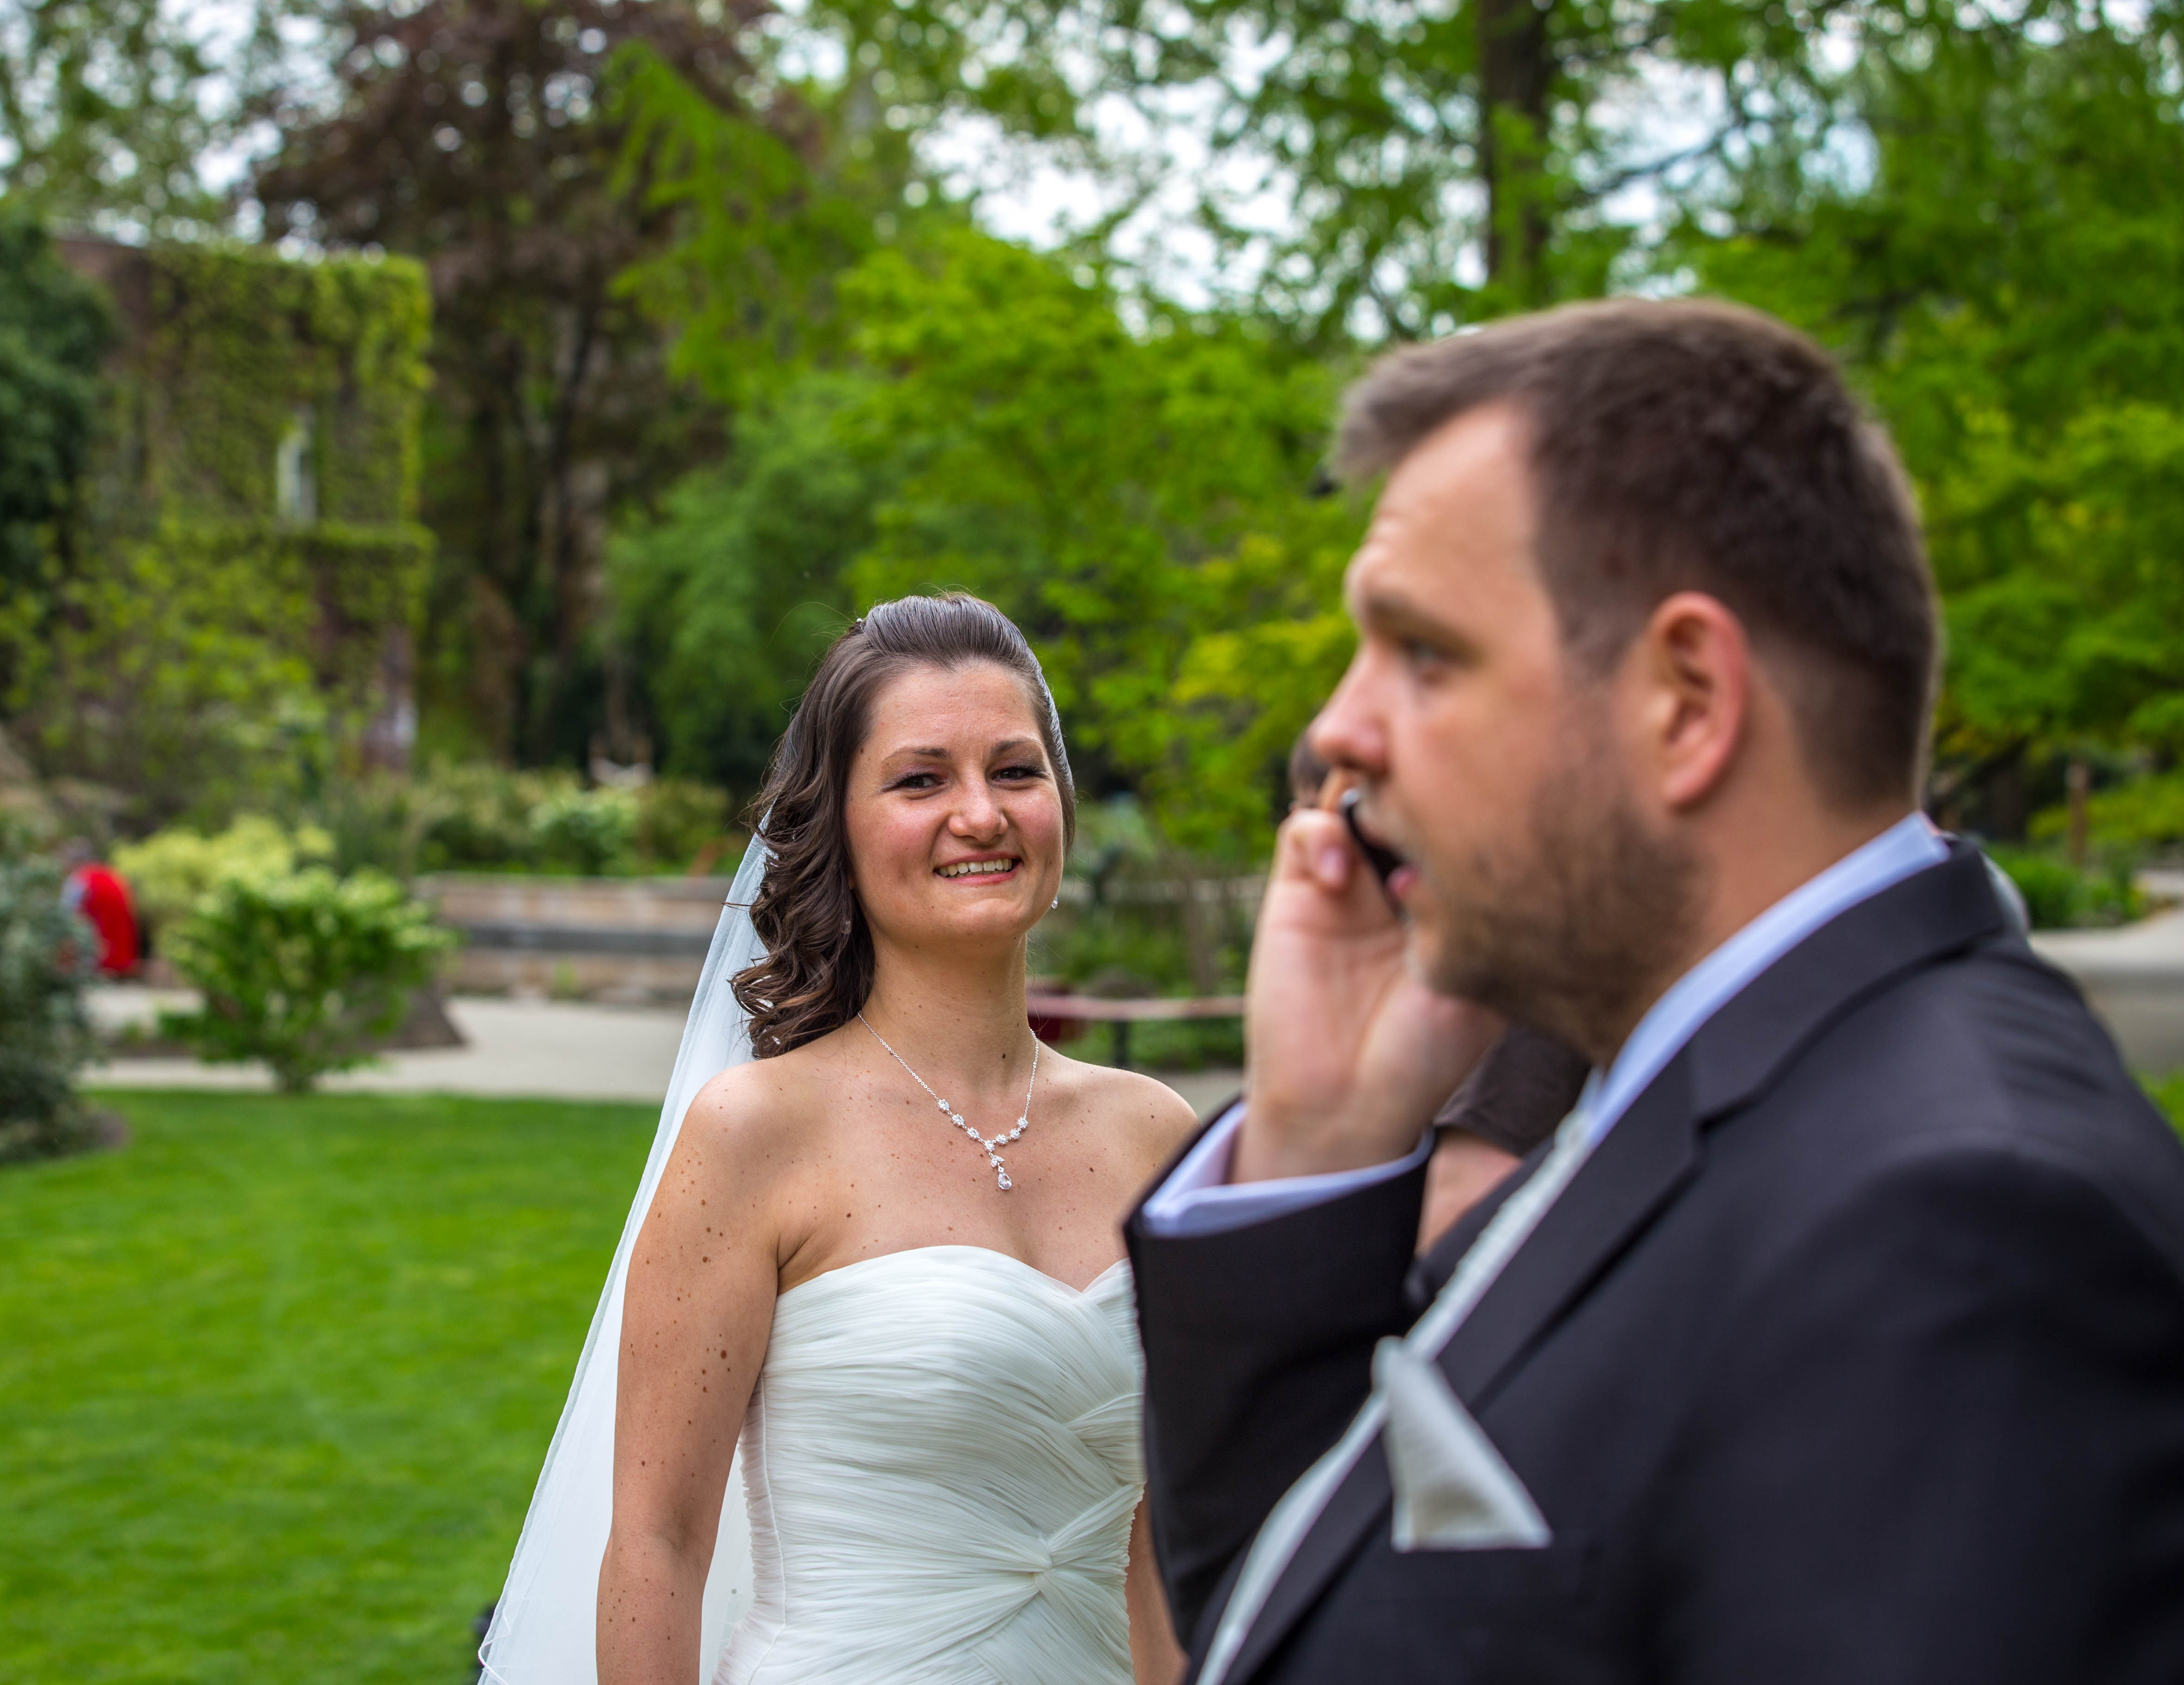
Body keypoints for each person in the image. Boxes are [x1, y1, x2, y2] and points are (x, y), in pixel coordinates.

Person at [1128, 299, 2184, 1684]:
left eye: (1423, 652)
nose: (1337, 728)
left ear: (1685, 698)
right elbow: (1306, 1618)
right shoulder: (1718, 1094)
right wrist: (1321, 1137)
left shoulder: (1962, 1224)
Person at [480, 593, 1195, 1685]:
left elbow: (1163, 1549)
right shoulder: (757, 1134)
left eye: (1014, 770)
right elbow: (658, 1546)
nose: (980, 814)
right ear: (842, 831)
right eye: (920, 780)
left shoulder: (1156, 1138)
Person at [1287, 733, 1586, 1250]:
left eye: (1335, 816)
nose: (1306, 845)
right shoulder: (1402, 984)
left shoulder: (1511, 968)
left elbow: (1458, 1201)